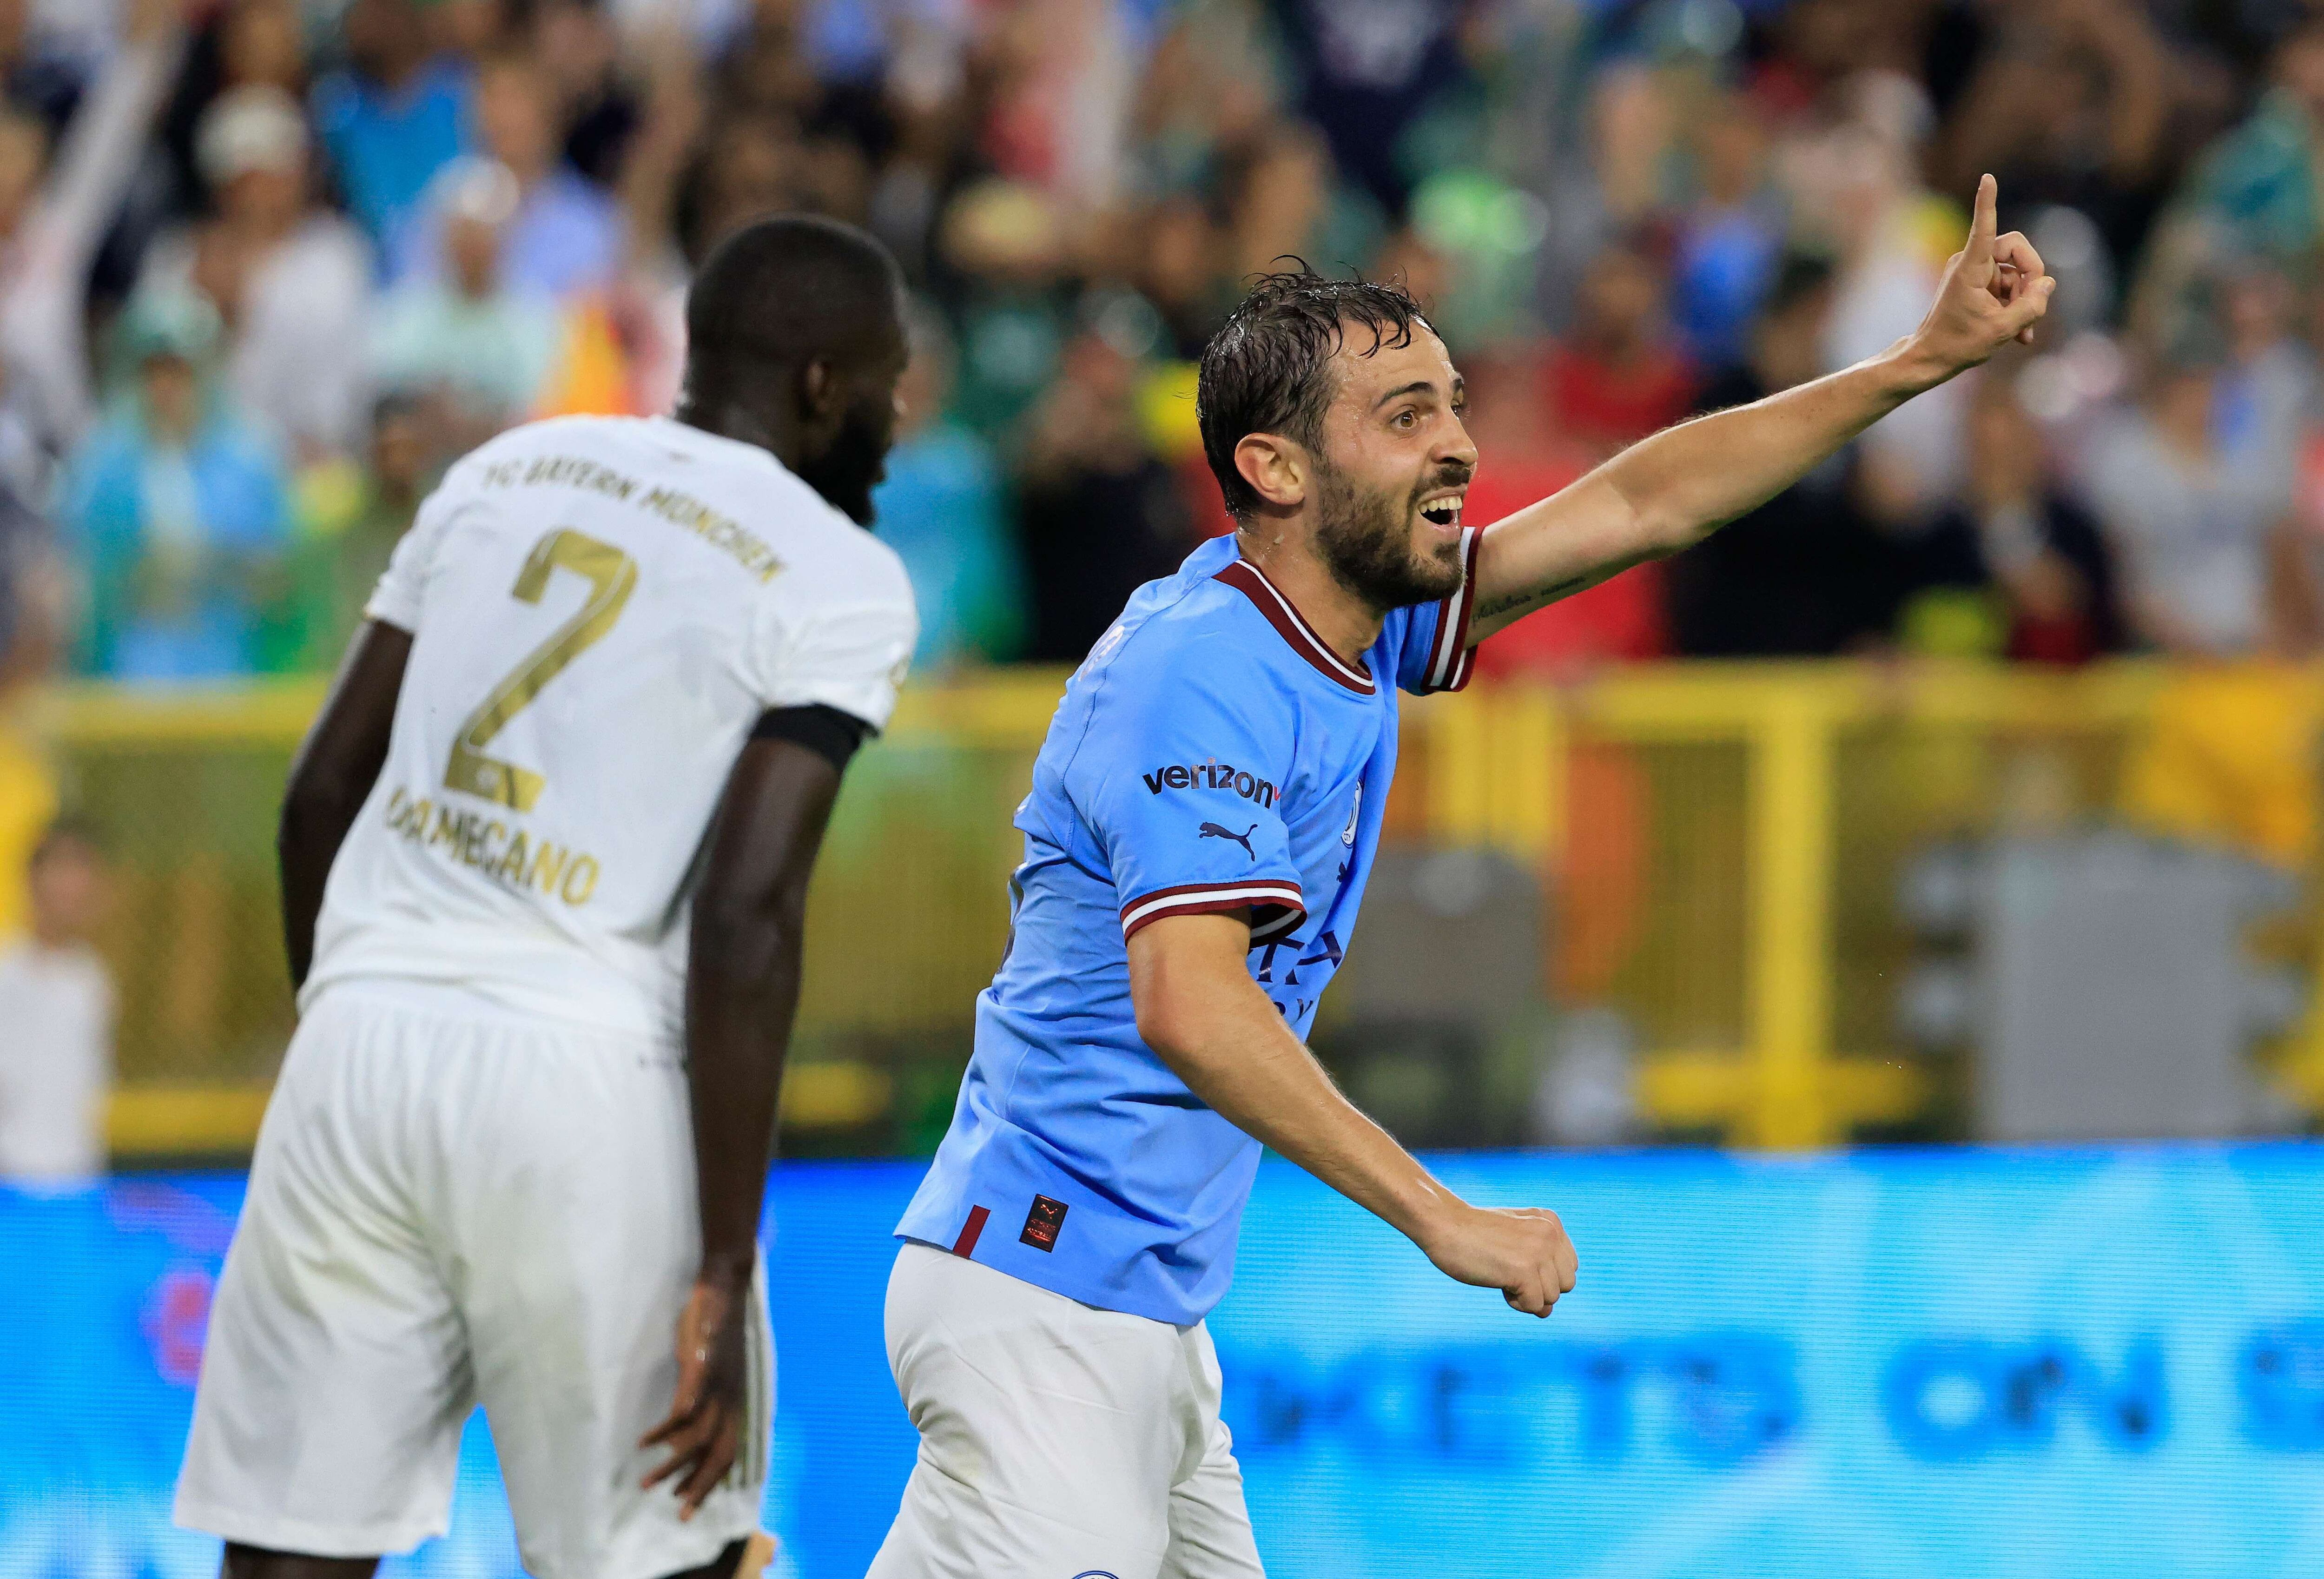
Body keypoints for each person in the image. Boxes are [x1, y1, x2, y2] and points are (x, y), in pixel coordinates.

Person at [872, 175, 2052, 1575]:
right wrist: (1445, 1215)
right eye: (1405, 417)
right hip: (1042, 1297)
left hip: (1134, 1313)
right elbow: (1188, 1001)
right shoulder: (1195, 670)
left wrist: (1918, 364)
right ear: (1276, 470)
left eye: (1451, 403)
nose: (1458, 449)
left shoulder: (1353, 625)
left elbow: (1645, 501)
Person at [173, 216, 919, 1579]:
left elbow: (315, 797)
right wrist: (725, 1261)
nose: (896, 414)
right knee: (657, 1556)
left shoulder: (504, 467)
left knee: (288, 1555)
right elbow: (748, 914)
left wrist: (348, 1012)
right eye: (887, 383)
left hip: (360, 1034)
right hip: (583, 1073)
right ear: (823, 386)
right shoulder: (838, 575)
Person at [53, 289, 292, 681]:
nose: (166, 388)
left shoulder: (249, 460)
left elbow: (278, 576)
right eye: (154, 373)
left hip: (227, 668)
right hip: (127, 671)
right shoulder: (103, 465)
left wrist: (220, 564)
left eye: (179, 371)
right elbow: (79, 572)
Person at [0, 819, 114, 1189]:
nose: (73, 886)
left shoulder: (93, 981)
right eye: (62, 869)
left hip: (76, 1181)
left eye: (83, 871)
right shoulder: (7, 972)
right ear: (34, 879)